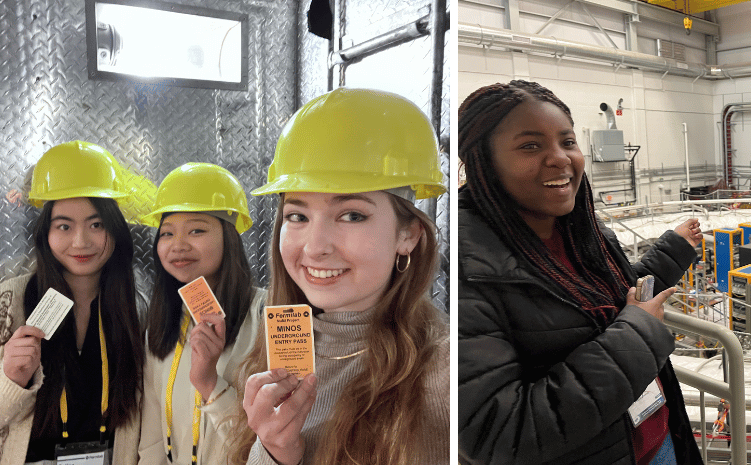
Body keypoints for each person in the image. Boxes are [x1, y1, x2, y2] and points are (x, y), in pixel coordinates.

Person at [457, 80, 705, 465]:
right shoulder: (469, 269)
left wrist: (672, 250)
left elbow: (604, 305)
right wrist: (638, 334)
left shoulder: (581, 232)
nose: (560, 158)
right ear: (484, 163)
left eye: (567, 142)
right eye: (530, 146)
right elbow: (500, 432)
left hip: (655, 442)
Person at [231, 87, 450, 465]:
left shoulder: (443, 373)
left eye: (351, 215)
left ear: (408, 234)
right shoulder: (276, 348)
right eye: (297, 216)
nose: (315, 247)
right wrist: (275, 453)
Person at [0, 141, 146, 464]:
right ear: (45, 233)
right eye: (64, 226)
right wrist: (9, 379)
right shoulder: (10, 302)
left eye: (96, 225)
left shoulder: (136, 309)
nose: (81, 242)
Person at [137, 163, 267, 465]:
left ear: (229, 236)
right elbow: (152, 437)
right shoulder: (161, 323)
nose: (178, 245)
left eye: (197, 230)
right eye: (167, 233)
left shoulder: (267, 315)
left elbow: (272, 444)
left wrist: (210, 384)